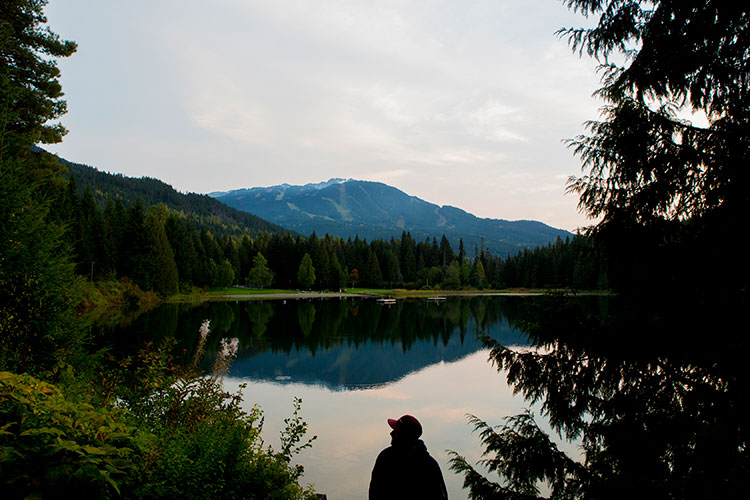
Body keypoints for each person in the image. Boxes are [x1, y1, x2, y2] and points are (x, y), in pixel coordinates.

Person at [369, 414, 449, 500]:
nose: (391, 433)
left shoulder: (429, 465)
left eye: (396, 431)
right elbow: (374, 492)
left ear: (406, 437)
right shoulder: (385, 457)